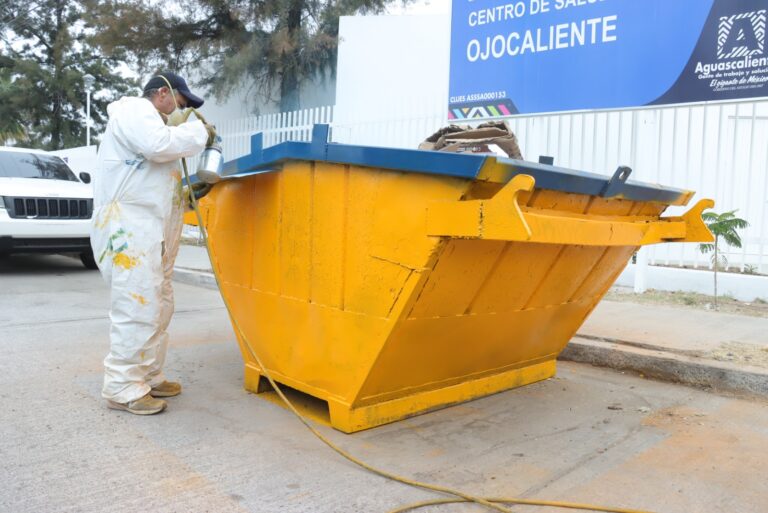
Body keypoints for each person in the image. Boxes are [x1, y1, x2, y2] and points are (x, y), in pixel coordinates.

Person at [91, 72, 215, 415]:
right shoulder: (135, 111)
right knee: (137, 303)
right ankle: (122, 386)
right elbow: (157, 146)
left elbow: (154, 178)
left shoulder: (157, 127)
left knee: (159, 304)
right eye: (182, 103)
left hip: (151, 230)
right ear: (162, 93)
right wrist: (199, 132)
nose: (183, 111)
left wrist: (188, 195)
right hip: (128, 228)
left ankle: (147, 374)